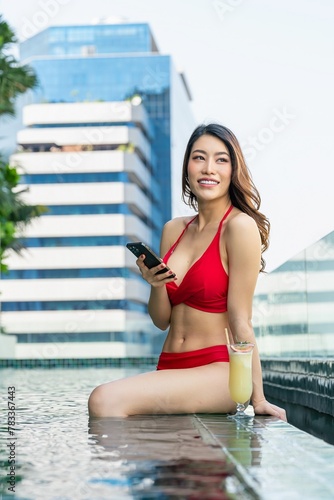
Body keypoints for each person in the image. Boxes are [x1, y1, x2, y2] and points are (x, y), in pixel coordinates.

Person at [88, 123, 287, 421]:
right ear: (187, 168)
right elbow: (161, 321)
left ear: (233, 170)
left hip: (220, 373)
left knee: (103, 400)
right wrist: (155, 285)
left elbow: (240, 319)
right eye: (199, 158)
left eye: (221, 160)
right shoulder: (173, 230)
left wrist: (258, 398)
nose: (209, 168)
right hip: (171, 364)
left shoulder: (239, 227)